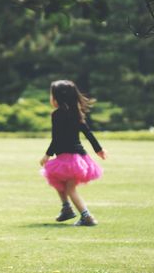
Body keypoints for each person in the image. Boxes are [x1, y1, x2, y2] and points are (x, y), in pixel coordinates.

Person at [40, 80, 107, 227]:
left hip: (68, 158)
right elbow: (88, 133)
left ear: (57, 97)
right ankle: (66, 209)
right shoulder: (76, 113)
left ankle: (86, 216)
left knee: (69, 188)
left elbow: (56, 138)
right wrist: (99, 150)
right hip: (79, 158)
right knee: (57, 179)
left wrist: (47, 155)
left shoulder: (57, 115)